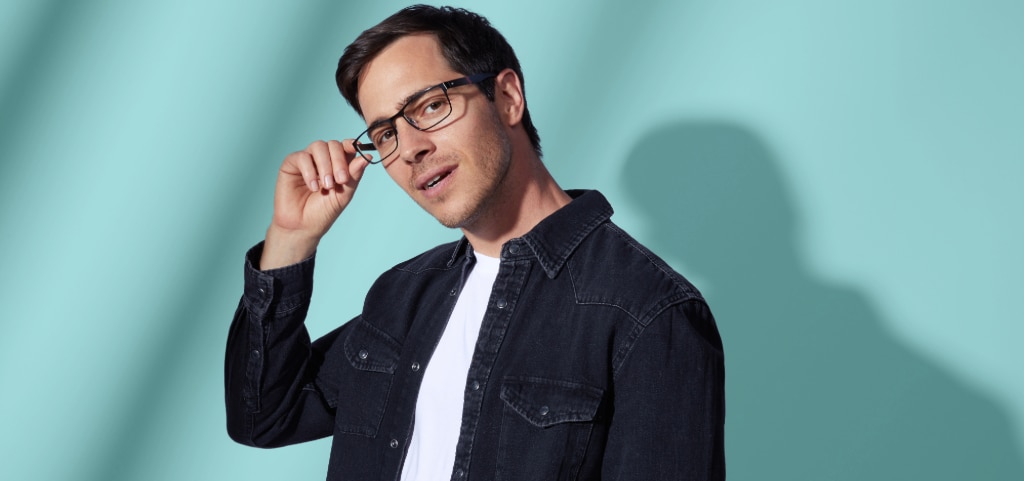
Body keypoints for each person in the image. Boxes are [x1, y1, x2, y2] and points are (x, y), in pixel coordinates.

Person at [225, 5, 725, 480]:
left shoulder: (648, 311)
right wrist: (291, 239)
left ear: (507, 97)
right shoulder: (402, 294)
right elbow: (262, 417)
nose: (411, 149)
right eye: (384, 135)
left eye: (431, 106)